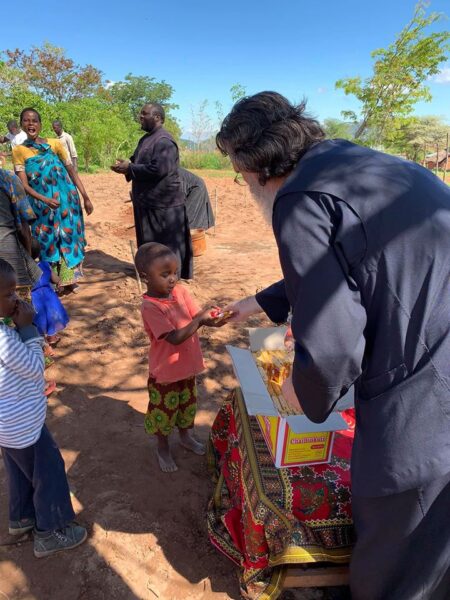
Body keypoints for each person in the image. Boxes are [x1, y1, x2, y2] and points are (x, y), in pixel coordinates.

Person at [217, 91, 450, 599]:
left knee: (401, 538)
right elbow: (358, 261)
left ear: (253, 167)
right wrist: (256, 303)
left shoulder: (298, 199)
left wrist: (304, 393)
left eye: (238, 175)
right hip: (436, 341)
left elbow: (333, 346)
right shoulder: (369, 166)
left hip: (424, 391)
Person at [0, 258, 87, 557]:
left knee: (20, 470)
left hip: (7, 426)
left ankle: (22, 517)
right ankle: (50, 532)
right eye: (9, 294)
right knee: (49, 472)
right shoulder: (4, 339)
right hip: (24, 425)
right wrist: (28, 330)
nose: (17, 298)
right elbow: (34, 367)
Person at [135, 242, 217, 472]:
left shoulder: (181, 292)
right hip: (166, 374)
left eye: (175, 272)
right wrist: (200, 320)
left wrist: (214, 317)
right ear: (145, 277)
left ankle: (185, 437)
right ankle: (162, 447)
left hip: (187, 367)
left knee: (186, 406)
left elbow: (197, 315)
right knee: (163, 413)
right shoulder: (150, 307)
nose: (172, 279)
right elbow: (174, 338)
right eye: (165, 275)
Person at [12, 108, 94, 291]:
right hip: (41, 206)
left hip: (67, 201)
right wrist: (44, 199)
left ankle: (69, 280)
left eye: (34, 120)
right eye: (26, 120)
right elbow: (23, 185)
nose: (31, 124)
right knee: (46, 240)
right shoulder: (19, 151)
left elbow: (71, 171)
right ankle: (53, 281)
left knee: (68, 236)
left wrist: (85, 197)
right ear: (22, 124)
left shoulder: (55, 144)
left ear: (40, 124)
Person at [111, 103, 193, 279]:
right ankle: (153, 276)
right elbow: (137, 162)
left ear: (157, 117)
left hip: (164, 205)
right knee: (150, 244)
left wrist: (130, 168)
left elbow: (158, 169)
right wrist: (125, 166)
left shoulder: (164, 141)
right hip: (147, 202)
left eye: (144, 114)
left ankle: (170, 280)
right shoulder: (145, 139)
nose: (140, 116)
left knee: (167, 246)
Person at [0, 168, 41, 293]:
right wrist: (29, 260)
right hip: (10, 260)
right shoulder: (7, 177)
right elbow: (24, 229)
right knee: (19, 301)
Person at [30, 239, 69, 346]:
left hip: (34, 298)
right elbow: (55, 279)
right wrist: (59, 283)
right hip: (49, 296)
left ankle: (43, 343)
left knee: (39, 320)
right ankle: (52, 337)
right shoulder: (44, 264)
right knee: (51, 317)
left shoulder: (24, 269)